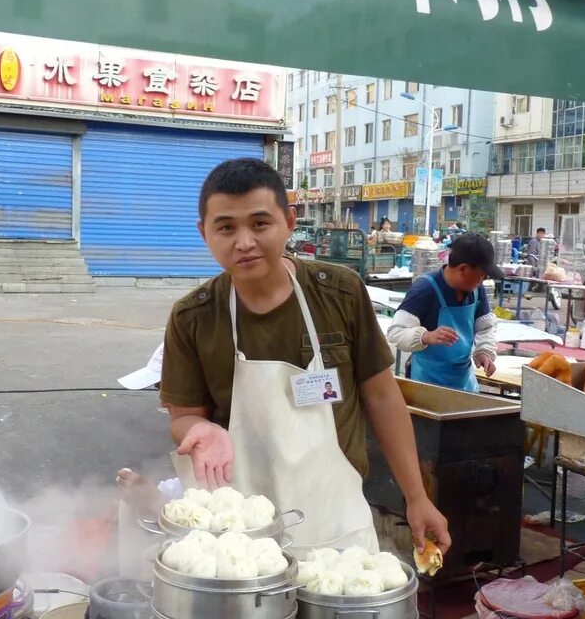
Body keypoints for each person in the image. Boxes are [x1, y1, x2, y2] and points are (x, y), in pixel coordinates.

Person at [157, 158, 449, 555]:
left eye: (260, 223)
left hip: (337, 514)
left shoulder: (339, 293)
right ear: (203, 233)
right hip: (239, 530)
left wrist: (416, 496)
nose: (244, 241)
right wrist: (200, 429)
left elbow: (382, 397)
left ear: (289, 222)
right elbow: (184, 417)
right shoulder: (193, 316)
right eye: (226, 227)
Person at [386, 233, 501, 393]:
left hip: (464, 383)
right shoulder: (425, 289)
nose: (482, 281)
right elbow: (395, 333)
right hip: (426, 384)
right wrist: (425, 337)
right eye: (481, 276)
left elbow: (485, 327)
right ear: (463, 269)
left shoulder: (476, 290)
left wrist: (484, 351)